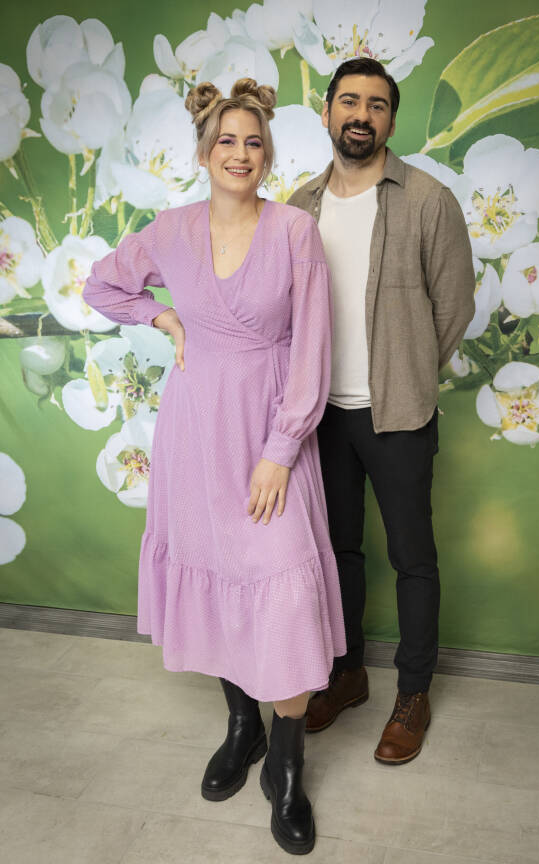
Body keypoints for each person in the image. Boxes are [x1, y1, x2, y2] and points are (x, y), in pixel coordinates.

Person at [83, 77, 346, 856]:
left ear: (268, 155)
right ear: (204, 152)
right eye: (227, 140)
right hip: (194, 433)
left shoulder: (295, 231)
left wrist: (280, 450)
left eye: (254, 141)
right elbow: (103, 284)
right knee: (218, 574)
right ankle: (242, 725)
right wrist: (160, 314)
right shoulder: (166, 232)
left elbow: (312, 350)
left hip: (268, 432)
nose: (240, 153)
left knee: (285, 592)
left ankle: (288, 766)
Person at [288, 58, 475, 764]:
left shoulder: (429, 200)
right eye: (348, 101)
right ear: (328, 112)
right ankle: (348, 674)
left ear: (392, 120)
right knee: (337, 555)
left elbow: (454, 308)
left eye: (376, 104)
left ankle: (413, 693)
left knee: (412, 558)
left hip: (397, 415)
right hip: (321, 415)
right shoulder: (299, 204)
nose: (360, 114)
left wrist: (408, 379)